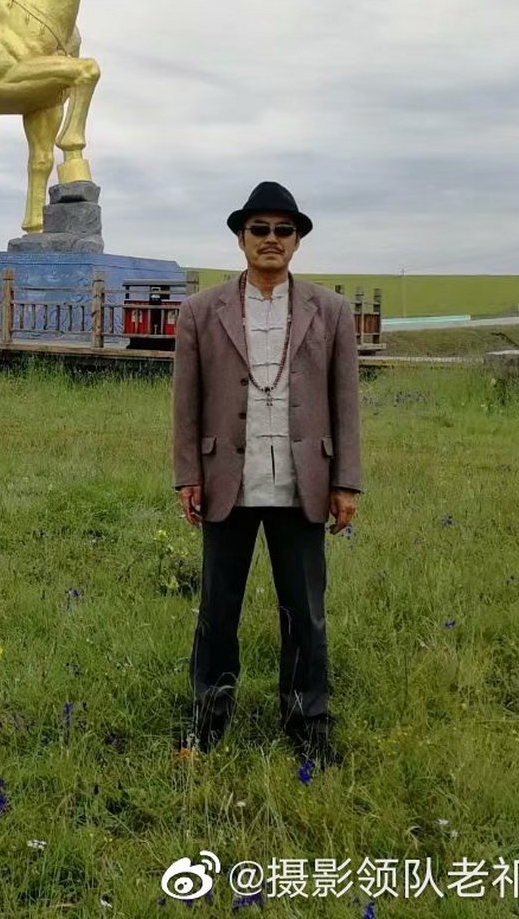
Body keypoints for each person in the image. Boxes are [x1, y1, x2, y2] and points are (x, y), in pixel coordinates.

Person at [171, 181, 362, 764]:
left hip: (304, 480)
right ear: (241, 238)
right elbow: (186, 399)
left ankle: (309, 727)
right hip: (227, 477)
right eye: (260, 230)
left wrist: (345, 480)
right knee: (217, 608)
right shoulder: (201, 311)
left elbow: (345, 398)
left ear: (298, 241)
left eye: (284, 230)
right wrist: (187, 475)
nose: (272, 240)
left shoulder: (329, 311)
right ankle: (207, 723)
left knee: (304, 611)